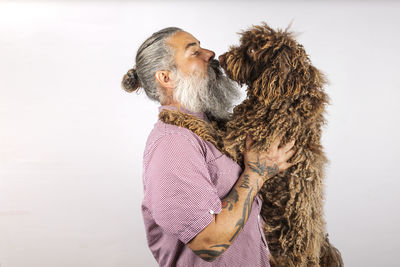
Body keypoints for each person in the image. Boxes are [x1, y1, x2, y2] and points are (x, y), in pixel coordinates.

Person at [121, 27, 296, 267]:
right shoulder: (173, 144)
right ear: (166, 78)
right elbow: (209, 243)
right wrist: (256, 174)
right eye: (194, 52)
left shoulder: (212, 128)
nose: (211, 53)